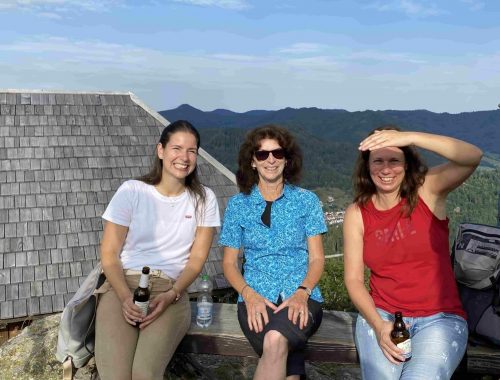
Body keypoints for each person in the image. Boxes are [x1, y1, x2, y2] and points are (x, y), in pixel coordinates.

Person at [343, 125, 483, 380]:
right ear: (367, 166)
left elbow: (471, 156)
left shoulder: (426, 192)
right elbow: (353, 279)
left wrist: (408, 137)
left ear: (407, 164)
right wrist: (378, 325)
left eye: (395, 160)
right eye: (379, 161)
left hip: (440, 318)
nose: (386, 169)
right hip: (383, 314)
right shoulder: (357, 213)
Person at [94, 120, 220, 380]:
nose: (184, 158)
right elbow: (109, 254)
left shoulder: (204, 199)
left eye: (192, 151)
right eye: (177, 148)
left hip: (170, 290)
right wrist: (124, 296)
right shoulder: (132, 191)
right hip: (123, 286)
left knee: (144, 373)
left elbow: (196, 260)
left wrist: (173, 293)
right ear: (160, 150)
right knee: (114, 375)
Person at [220, 124, 327, 380]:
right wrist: (248, 295)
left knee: (275, 339)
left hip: (302, 295)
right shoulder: (238, 205)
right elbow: (230, 264)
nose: (270, 160)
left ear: (287, 160)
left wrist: (302, 293)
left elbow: (316, 258)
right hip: (254, 298)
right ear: (253, 162)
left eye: (277, 154)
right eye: (262, 154)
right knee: (284, 357)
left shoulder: (306, 201)